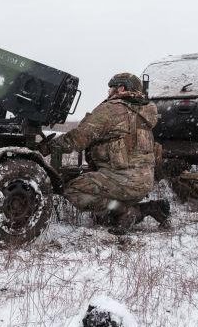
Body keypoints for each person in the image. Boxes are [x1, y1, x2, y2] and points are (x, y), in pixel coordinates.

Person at [38, 72, 169, 233]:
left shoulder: (111, 110)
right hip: (144, 183)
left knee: (73, 190)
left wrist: (47, 147)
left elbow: (78, 138)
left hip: (121, 181)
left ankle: (127, 211)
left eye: (111, 88)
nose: (108, 92)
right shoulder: (145, 112)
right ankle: (150, 208)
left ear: (121, 89)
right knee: (104, 218)